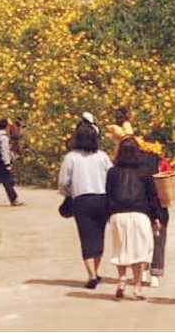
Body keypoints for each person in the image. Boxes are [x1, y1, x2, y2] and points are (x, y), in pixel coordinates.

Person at [58, 117, 113, 289]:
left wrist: (69, 194)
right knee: (99, 235)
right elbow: (111, 177)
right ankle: (95, 272)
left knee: (86, 237)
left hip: (81, 200)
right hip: (102, 199)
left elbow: (63, 182)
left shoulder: (71, 157)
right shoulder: (102, 156)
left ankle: (91, 275)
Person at [106, 136, 162, 300]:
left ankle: (122, 279)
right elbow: (153, 197)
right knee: (140, 252)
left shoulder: (112, 172)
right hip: (140, 215)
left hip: (118, 215)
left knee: (121, 248)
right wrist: (156, 217)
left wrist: (109, 215)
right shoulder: (145, 171)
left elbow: (108, 195)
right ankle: (137, 287)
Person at [138, 146, 170, 288]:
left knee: (140, 240)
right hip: (160, 205)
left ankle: (142, 271)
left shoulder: (133, 162)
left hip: (140, 204)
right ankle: (155, 274)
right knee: (159, 239)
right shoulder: (161, 163)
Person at [0, 118, 25, 207]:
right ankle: (14, 200)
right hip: (1, 162)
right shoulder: (3, 138)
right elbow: (4, 151)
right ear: (7, 126)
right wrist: (7, 163)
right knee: (7, 181)